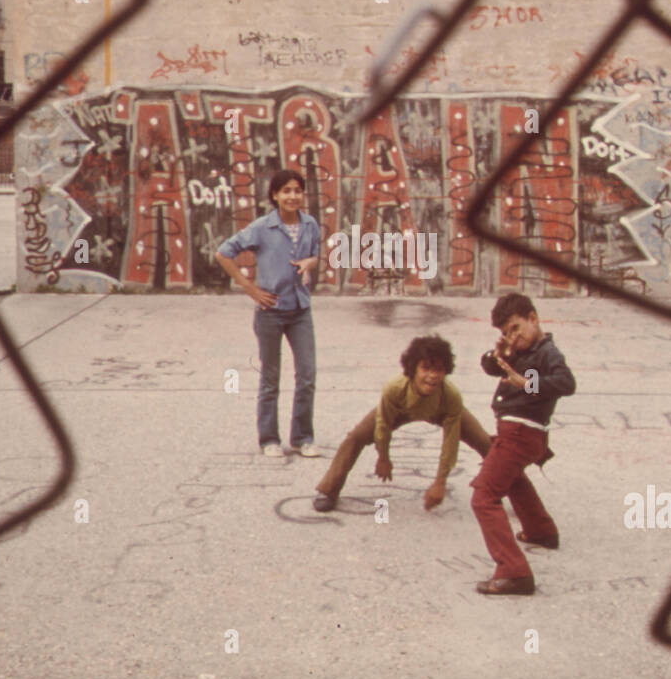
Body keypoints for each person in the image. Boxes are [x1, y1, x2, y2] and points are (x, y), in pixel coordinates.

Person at [312, 334, 492, 513]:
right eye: (426, 368)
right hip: (400, 411)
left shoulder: (451, 395)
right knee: (356, 437)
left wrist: (440, 482)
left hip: (440, 411)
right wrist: (383, 457)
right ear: (413, 370)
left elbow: (450, 442)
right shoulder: (394, 388)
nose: (432, 376)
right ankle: (328, 490)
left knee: (485, 442)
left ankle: (516, 493)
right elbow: (382, 425)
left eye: (438, 370)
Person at [471, 293, 575, 596]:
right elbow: (491, 367)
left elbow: (567, 382)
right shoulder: (518, 351)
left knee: (484, 495)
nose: (513, 337)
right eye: (506, 333)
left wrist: (529, 384)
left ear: (533, 318)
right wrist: (498, 353)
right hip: (518, 434)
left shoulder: (547, 352)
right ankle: (542, 532)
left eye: (516, 328)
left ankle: (514, 572)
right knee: (512, 478)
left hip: (522, 433)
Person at [216, 169, 321, 457]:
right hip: (270, 311)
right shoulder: (262, 227)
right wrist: (250, 288)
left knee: (307, 374)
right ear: (275, 195)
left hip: (301, 310)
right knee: (271, 376)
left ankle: (302, 437)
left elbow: (314, 254)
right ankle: (269, 439)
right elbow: (223, 253)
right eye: (285, 191)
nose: (292, 196)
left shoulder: (310, 224)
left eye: (297, 190)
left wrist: (310, 263)